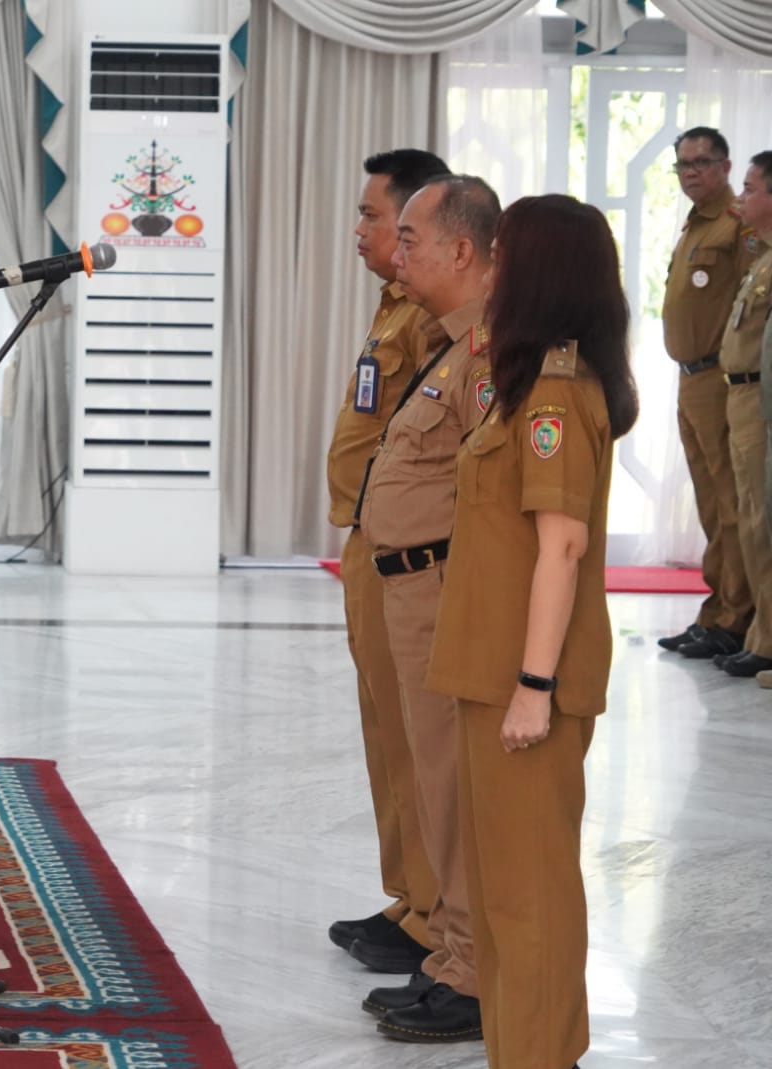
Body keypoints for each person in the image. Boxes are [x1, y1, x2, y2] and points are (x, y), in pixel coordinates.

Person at [428, 194, 639, 1069]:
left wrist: (535, 686)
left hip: (527, 680)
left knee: (531, 896)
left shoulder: (556, 388)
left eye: (508, 254)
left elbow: (562, 546)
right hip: (491, 668)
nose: (495, 268)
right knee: (502, 893)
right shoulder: (528, 378)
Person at [353, 175, 499, 1044]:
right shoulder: (444, 344)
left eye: (410, 237)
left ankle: (474, 971)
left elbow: (495, 504)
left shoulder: (484, 358)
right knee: (429, 779)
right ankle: (448, 950)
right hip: (407, 583)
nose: (394, 252)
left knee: (452, 785)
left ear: (462, 251)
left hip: (443, 589)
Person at [324, 150, 449, 978]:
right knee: (385, 731)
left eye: (376, 216)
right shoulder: (391, 307)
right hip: (369, 542)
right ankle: (410, 894)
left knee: (418, 735)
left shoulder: (434, 318)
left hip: (409, 554)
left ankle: (438, 911)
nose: (362, 229)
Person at [657, 127, 759, 659]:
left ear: (724, 165)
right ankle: (717, 607)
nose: (691, 171)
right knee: (707, 503)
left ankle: (735, 618)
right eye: (683, 165)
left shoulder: (739, 226)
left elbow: (750, 307)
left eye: (701, 162)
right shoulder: (695, 225)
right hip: (689, 378)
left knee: (729, 504)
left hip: (720, 380)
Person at [715, 151, 772, 679]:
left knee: (762, 522)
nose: (741, 197)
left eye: (751, 188)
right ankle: (761, 634)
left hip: (761, 401)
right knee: (751, 520)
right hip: (740, 397)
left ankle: (768, 640)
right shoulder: (763, 256)